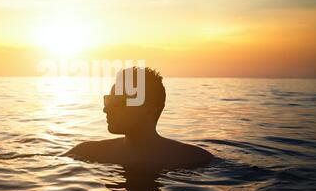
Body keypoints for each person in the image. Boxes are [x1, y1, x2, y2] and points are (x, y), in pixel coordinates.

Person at [64, 67, 213, 170]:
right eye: (108, 100)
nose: (106, 109)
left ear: (149, 110)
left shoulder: (194, 159)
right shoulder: (86, 152)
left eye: (118, 102)